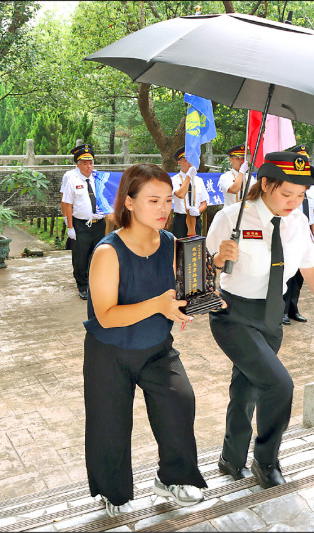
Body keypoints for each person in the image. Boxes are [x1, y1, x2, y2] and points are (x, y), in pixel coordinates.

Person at [206, 151, 314, 489]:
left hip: (272, 317)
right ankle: (266, 461)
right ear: (266, 183)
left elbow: (311, 269)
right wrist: (217, 259)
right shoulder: (231, 218)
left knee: (246, 390)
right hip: (234, 315)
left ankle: (230, 459)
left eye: (300, 196)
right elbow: (199, 268)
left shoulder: (298, 222)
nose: (293, 202)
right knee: (279, 385)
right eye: (286, 193)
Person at [83, 164, 209, 516]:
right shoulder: (108, 252)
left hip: (156, 347)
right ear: (129, 202)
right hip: (110, 351)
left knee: (179, 403)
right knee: (109, 424)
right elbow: (106, 315)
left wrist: (202, 300)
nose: (164, 208)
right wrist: (158, 305)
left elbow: (178, 293)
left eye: (168, 200)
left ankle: (172, 478)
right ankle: (114, 492)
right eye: (153, 200)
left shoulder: (170, 243)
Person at [61, 144, 107, 300]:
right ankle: (82, 286)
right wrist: (70, 227)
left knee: (98, 256)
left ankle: (95, 285)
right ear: (78, 165)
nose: (89, 166)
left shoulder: (99, 179)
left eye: (91, 163)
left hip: (99, 225)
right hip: (81, 225)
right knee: (80, 258)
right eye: (85, 163)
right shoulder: (72, 181)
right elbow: (67, 204)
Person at [282, 144, 314, 325]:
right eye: (300, 159)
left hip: (304, 234)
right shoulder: (287, 184)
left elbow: (311, 212)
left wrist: (312, 235)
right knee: (287, 275)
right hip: (288, 234)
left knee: (299, 276)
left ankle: (293, 309)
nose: (304, 162)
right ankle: (281, 311)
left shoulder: (310, 186)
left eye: (306, 159)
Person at [171, 147, 209, 239]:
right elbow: (180, 194)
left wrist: (198, 211)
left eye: (192, 160)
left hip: (195, 218)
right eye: (186, 160)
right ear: (179, 162)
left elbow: (204, 203)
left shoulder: (199, 180)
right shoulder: (174, 180)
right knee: (179, 249)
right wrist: (188, 176)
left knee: (196, 249)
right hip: (181, 219)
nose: (190, 163)